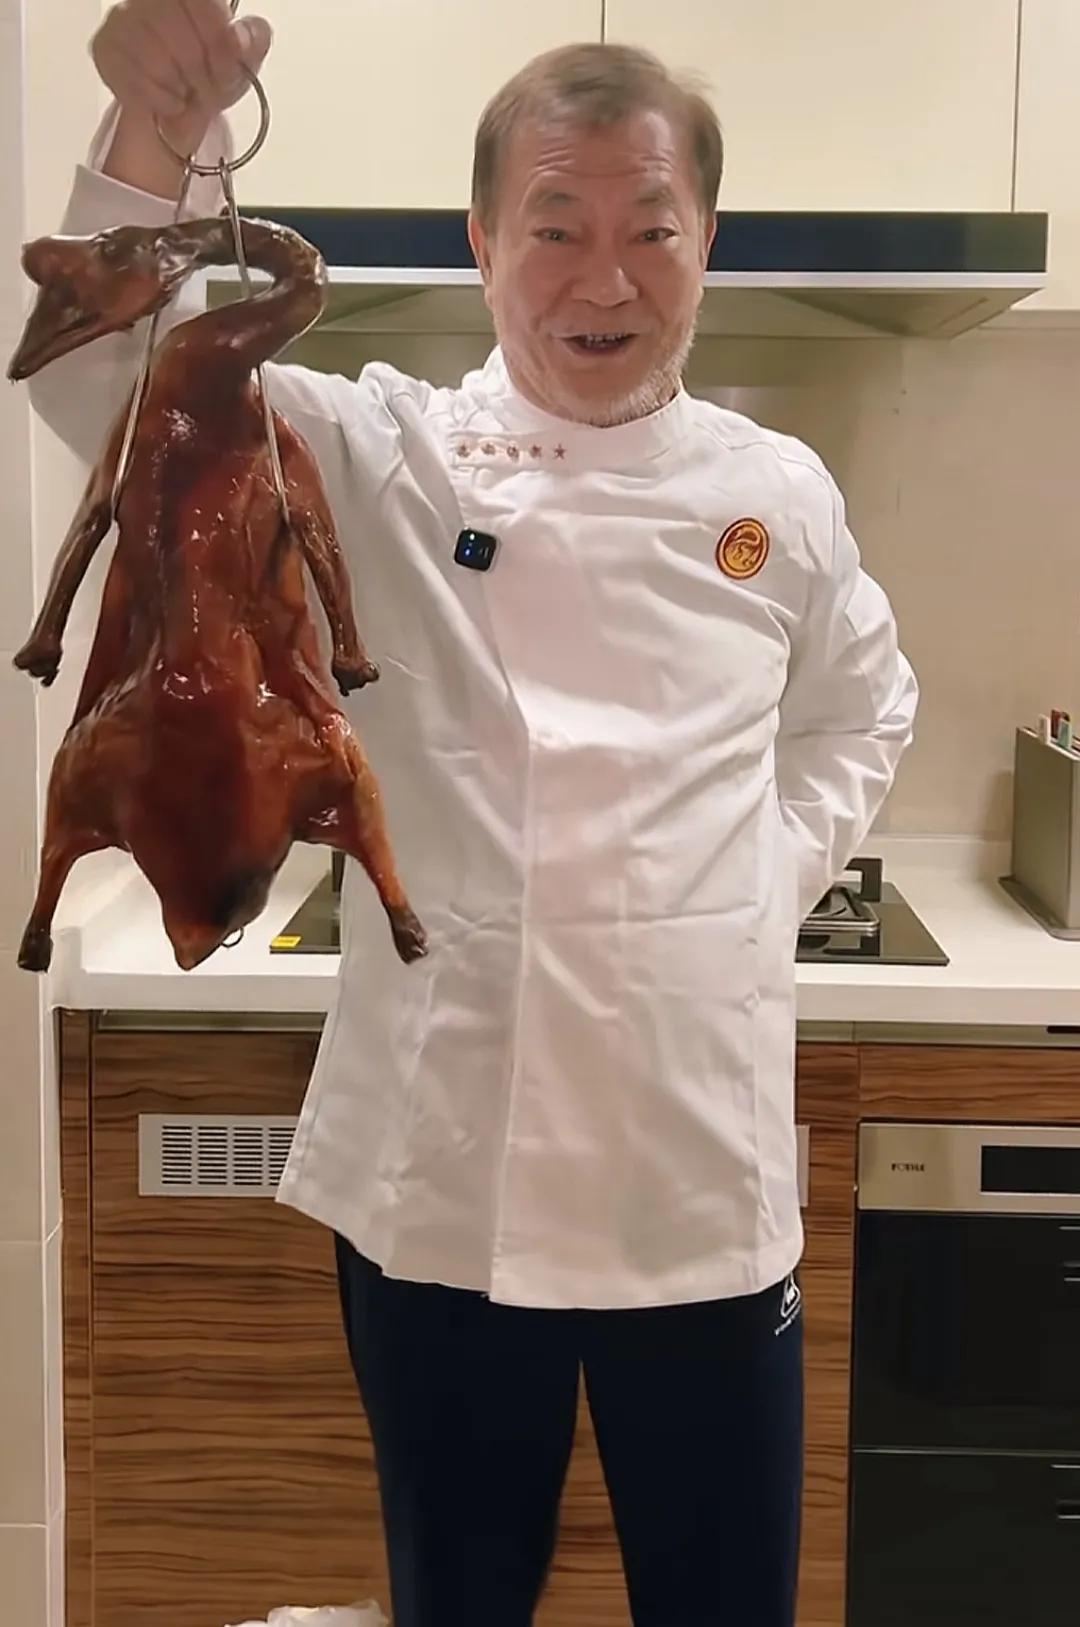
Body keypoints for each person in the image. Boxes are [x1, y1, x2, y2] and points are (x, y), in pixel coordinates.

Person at [35, 4, 919, 1623]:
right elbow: (118, 397)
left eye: (651, 229)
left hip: (697, 1179)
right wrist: (155, 144)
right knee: (456, 1598)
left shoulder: (778, 492)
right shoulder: (387, 454)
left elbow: (865, 709)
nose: (605, 279)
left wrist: (757, 887)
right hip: (445, 1179)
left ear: (707, 241)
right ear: (482, 242)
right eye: (556, 226)